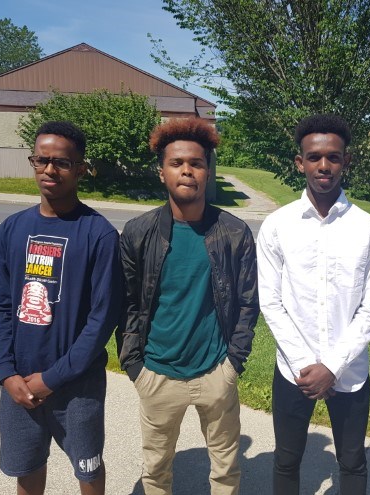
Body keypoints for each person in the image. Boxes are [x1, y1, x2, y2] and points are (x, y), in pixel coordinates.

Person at [118, 117, 258, 495]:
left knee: (226, 468)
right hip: (157, 372)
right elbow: (127, 303)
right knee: (156, 469)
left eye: (196, 163)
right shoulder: (138, 232)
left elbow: (248, 302)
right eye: (176, 163)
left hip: (216, 372)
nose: (186, 171)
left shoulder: (234, 232)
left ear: (208, 172)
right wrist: (136, 366)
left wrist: (233, 363)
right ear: (161, 171)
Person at [0, 121, 122, 495]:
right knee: (26, 466)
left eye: (61, 162)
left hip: (77, 385)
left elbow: (102, 318)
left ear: (80, 169)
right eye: (41, 160)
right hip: (19, 381)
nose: (49, 169)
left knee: (88, 469)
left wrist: (53, 378)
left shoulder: (99, 235)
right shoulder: (12, 229)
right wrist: (6, 372)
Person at [257, 114, 370, 494]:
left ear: (346, 161)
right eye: (314, 157)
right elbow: (271, 302)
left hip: (349, 373)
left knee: (352, 462)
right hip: (293, 370)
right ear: (300, 163)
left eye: (333, 157)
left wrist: (331, 367)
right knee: (286, 460)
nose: (324, 165)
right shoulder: (278, 225)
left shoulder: (369, 230)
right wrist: (307, 365)